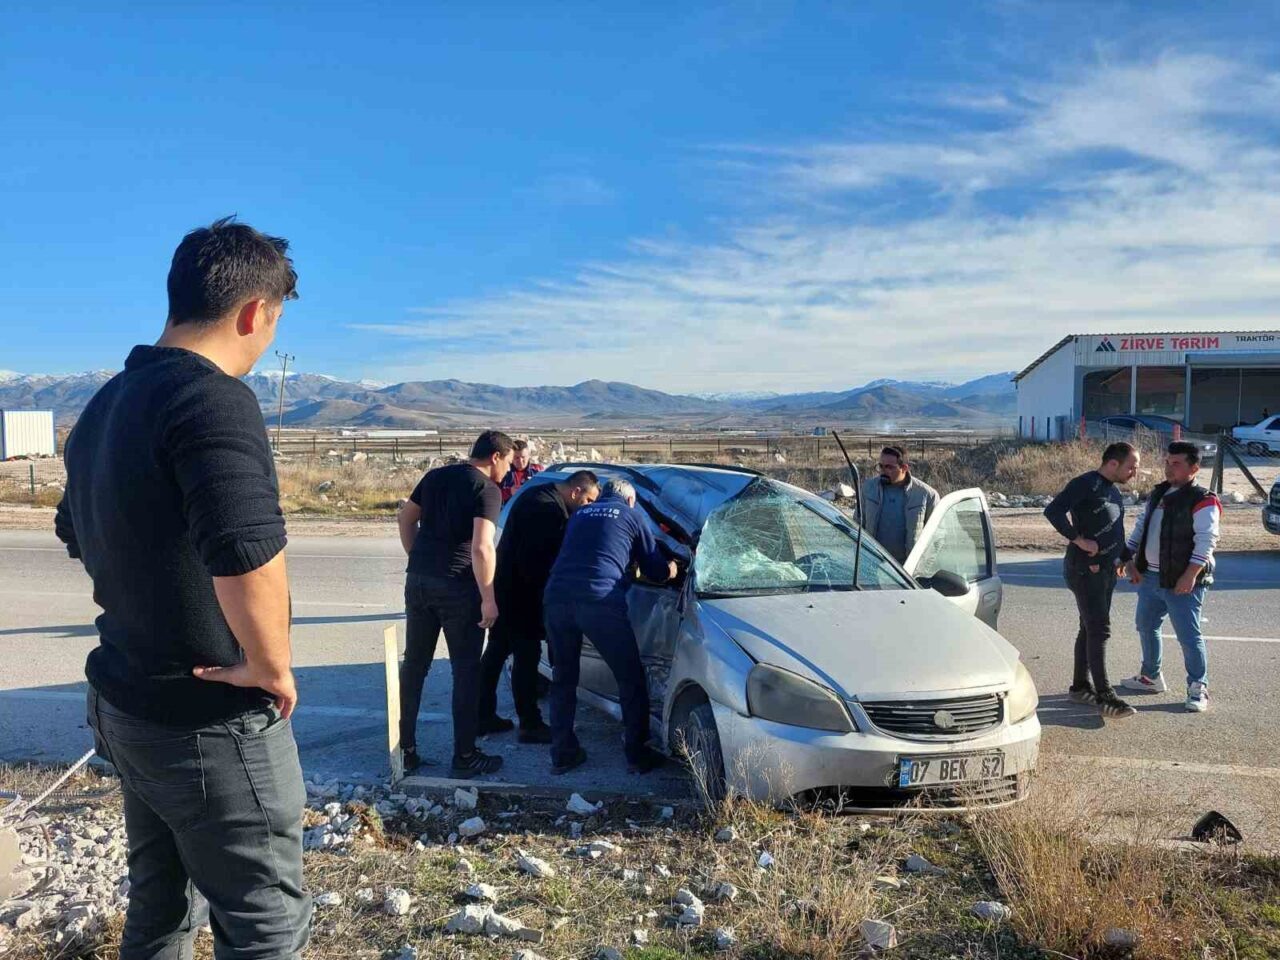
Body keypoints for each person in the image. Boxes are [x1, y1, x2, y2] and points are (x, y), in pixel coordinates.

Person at [54, 217, 310, 958]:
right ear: (255, 312)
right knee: (264, 923)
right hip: (207, 721)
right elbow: (246, 549)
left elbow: (75, 530)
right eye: (275, 321)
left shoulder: (106, 403)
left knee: (161, 907)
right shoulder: (212, 398)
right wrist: (270, 664)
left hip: (127, 700)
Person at [397, 430, 514, 775]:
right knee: (465, 671)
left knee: (414, 666)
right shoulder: (487, 489)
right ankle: (465, 756)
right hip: (459, 588)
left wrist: (418, 557)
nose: (508, 470)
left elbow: (406, 518)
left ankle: (405, 751)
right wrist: (489, 598)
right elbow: (482, 548)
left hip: (419, 581)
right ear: (496, 456)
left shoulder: (435, 476)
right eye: (508, 462)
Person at [542, 477, 677, 775]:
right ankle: (637, 755)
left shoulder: (579, 514)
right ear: (630, 500)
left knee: (563, 678)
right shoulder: (631, 515)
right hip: (599, 600)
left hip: (557, 597)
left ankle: (562, 754)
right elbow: (654, 568)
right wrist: (671, 569)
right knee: (630, 678)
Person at [477, 470, 601, 742]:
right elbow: (536, 561)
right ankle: (529, 723)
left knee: (498, 652)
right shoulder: (547, 510)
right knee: (526, 656)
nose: (589, 507)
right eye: (589, 500)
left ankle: (482, 715)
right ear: (575, 492)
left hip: (508, 587)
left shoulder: (539, 495)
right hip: (522, 593)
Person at [1120, 442, 1221, 712]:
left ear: (1194, 468)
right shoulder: (1159, 493)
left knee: (1188, 636)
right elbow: (1141, 527)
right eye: (1167, 462)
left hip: (1182, 581)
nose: (1169, 468)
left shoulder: (1203, 499)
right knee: (1146, 626)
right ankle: (1150, 677)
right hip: (1150, 577)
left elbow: (1206, 541)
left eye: (1176, 463)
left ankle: (1198, 687)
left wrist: (1189, 575)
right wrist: (1127, 557)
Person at [1043, 441, 1141, 719]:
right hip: (1084, 569)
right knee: (1099, 630)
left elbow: (1115, 531)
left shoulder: (1112, 490)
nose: (1134, 472)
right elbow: (1053, 511)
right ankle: (1105, 696)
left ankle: (1080, 687)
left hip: (1107, 569)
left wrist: (1126, 560)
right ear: (1113, 463)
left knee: (1088, 628)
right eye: (1131, 467)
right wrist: (1078, 539)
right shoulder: (1085, 483)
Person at [860, 445, 940, 563]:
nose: (883, 471)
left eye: (889, 467)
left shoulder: (926, 495)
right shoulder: (869, 488)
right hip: (872, 561)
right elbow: (857, 524)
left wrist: (923, 564)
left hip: (907, 568)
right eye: (881, 466)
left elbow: (936, 537)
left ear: (904, 468)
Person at [500, 439, 544, 504]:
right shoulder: (502, 471)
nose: (520, 461)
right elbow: (492, 494)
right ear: (510, 457)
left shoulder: (538, 470)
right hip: (510, 508)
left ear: (528, 456)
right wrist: (509, 492)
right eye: (516, 457)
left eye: (523, 457)